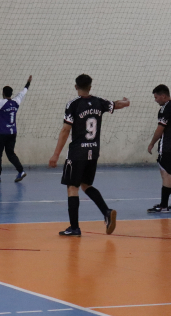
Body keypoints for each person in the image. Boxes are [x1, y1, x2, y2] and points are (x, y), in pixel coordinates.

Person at [48, 74, 130, 236]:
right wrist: (126, 102)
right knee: (86, 185)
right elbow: (115, 104)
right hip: (93, 151)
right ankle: (106, 211)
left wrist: (56, 154)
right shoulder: (99, 102)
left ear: (76, 87)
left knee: (72, 187)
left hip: (77, 152)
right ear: (90, 87)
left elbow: (65, 130)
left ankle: (74, 228)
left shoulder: (73, 104)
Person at [0, 76, 32, 183]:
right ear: (11, 93)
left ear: (3, 93)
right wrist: (28, 83)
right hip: (13, 133)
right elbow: (23, 92)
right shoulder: (16, 101)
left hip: (2, 133)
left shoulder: (1, 103)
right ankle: (21, 171)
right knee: (10, 154)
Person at [146, 84, 171, 213]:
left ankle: (163, 205)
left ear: (163, 96)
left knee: (165, 174)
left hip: (168, 144)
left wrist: (152, 143)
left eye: (156, 97)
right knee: (168, 172)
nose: (155, 100)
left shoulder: (166, 108)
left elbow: (160, 129)